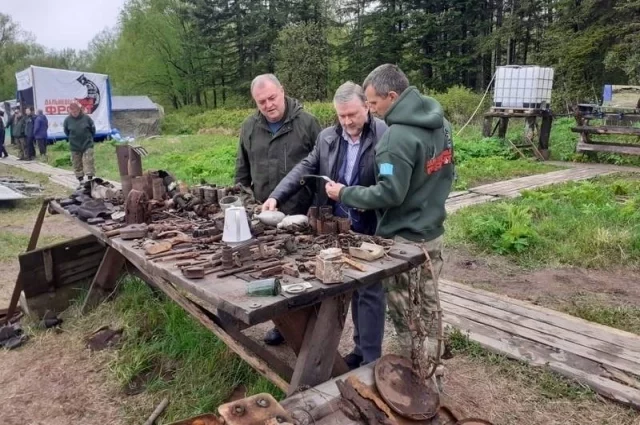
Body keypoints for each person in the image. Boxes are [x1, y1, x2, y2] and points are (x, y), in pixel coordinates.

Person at [326, 64, 454, 378]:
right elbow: (447, 173)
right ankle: (435, 370)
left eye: (372, 103)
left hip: (405, 243)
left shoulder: (395, 140)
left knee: (408, 318)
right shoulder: (442, 125)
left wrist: (345, 193)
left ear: (392, 96)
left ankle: (418, 382)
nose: (371, 110)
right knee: (430, 309)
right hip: (433, 233)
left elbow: (388, 193)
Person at [264, 82, 388, 368]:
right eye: (341, 116)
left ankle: (370, 360)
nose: (347, 122)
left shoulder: (384, 134)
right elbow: (304, 167)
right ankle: (355, 351)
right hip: (337, 226)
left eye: (353, 115)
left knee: (370, 291)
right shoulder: (328, 138)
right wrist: (276, 196)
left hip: (371, 225)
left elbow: (390, 183)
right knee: (345, 288)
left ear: (366, 108)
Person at [235, 73, 321, 346]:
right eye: (262, 102)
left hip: (301, 216)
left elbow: (322, 169)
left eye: (272, 97)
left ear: (282, 91)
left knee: (306, 276)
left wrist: (317, 211)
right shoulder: (249, 128)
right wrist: (251, 207)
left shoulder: (307, 124)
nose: (269, 105)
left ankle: (313, 331)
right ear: (255, 103)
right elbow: (241, 177)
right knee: (273, 271)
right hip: (265, 218)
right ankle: (283, 326)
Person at [64, 102, 96, 187]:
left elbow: (93, 130)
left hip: (87, 143)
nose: (74, 113)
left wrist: (89, 138)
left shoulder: (86, 118)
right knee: (76, 162)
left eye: (76, 111)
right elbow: (66, 132)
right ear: (70, 111)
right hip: (74, 145)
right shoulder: (67, 120)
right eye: (72, 112)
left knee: (89, 160)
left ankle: (90, 178)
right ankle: (80, 179)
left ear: (79, 110)